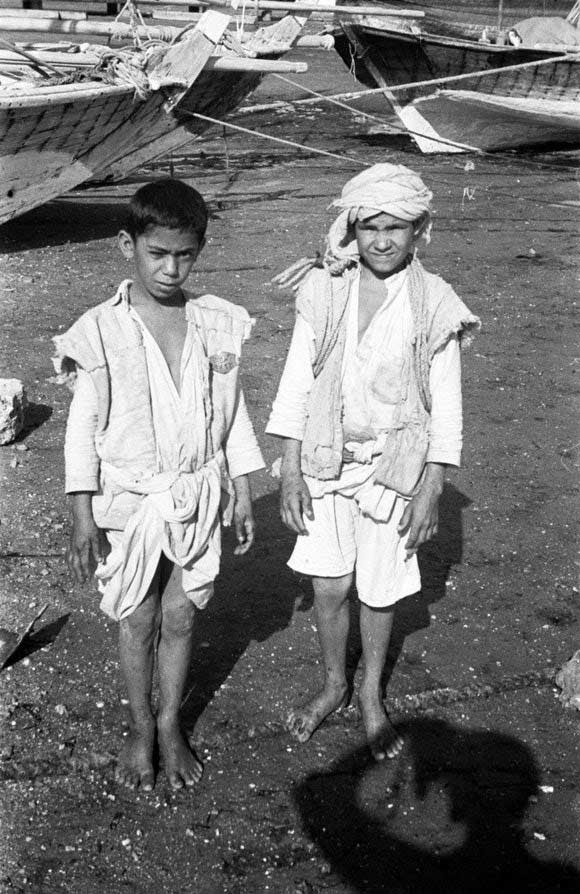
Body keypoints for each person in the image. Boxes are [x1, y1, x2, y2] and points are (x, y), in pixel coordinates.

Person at [54, 179, 264, 791]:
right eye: (158, 254)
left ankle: (171, 722)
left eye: (185, 255)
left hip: (198, 490)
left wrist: (244, 486)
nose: (172, 269)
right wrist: (82, 513)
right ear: (128, 246)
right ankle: (140, 726)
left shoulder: (214, 323)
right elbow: (82, 429)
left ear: (199, 250)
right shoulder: (98, 329)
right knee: (138, 616)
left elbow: (233, 410)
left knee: (180, 611)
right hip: (131, 500)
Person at [266, 163, 479, 761]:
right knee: (330, 584)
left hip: (396, 462)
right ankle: (333, 683)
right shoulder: (326, 289)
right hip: (326, 455)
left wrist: (433, 484)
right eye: (371, 227)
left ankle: (369, 692)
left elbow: (447, 404)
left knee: (380, 590)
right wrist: (289, 466)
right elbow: (296, 381)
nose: (382, 240)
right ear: (351, 229)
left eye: (396, 228)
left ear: (420, 231)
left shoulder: (435, 303)